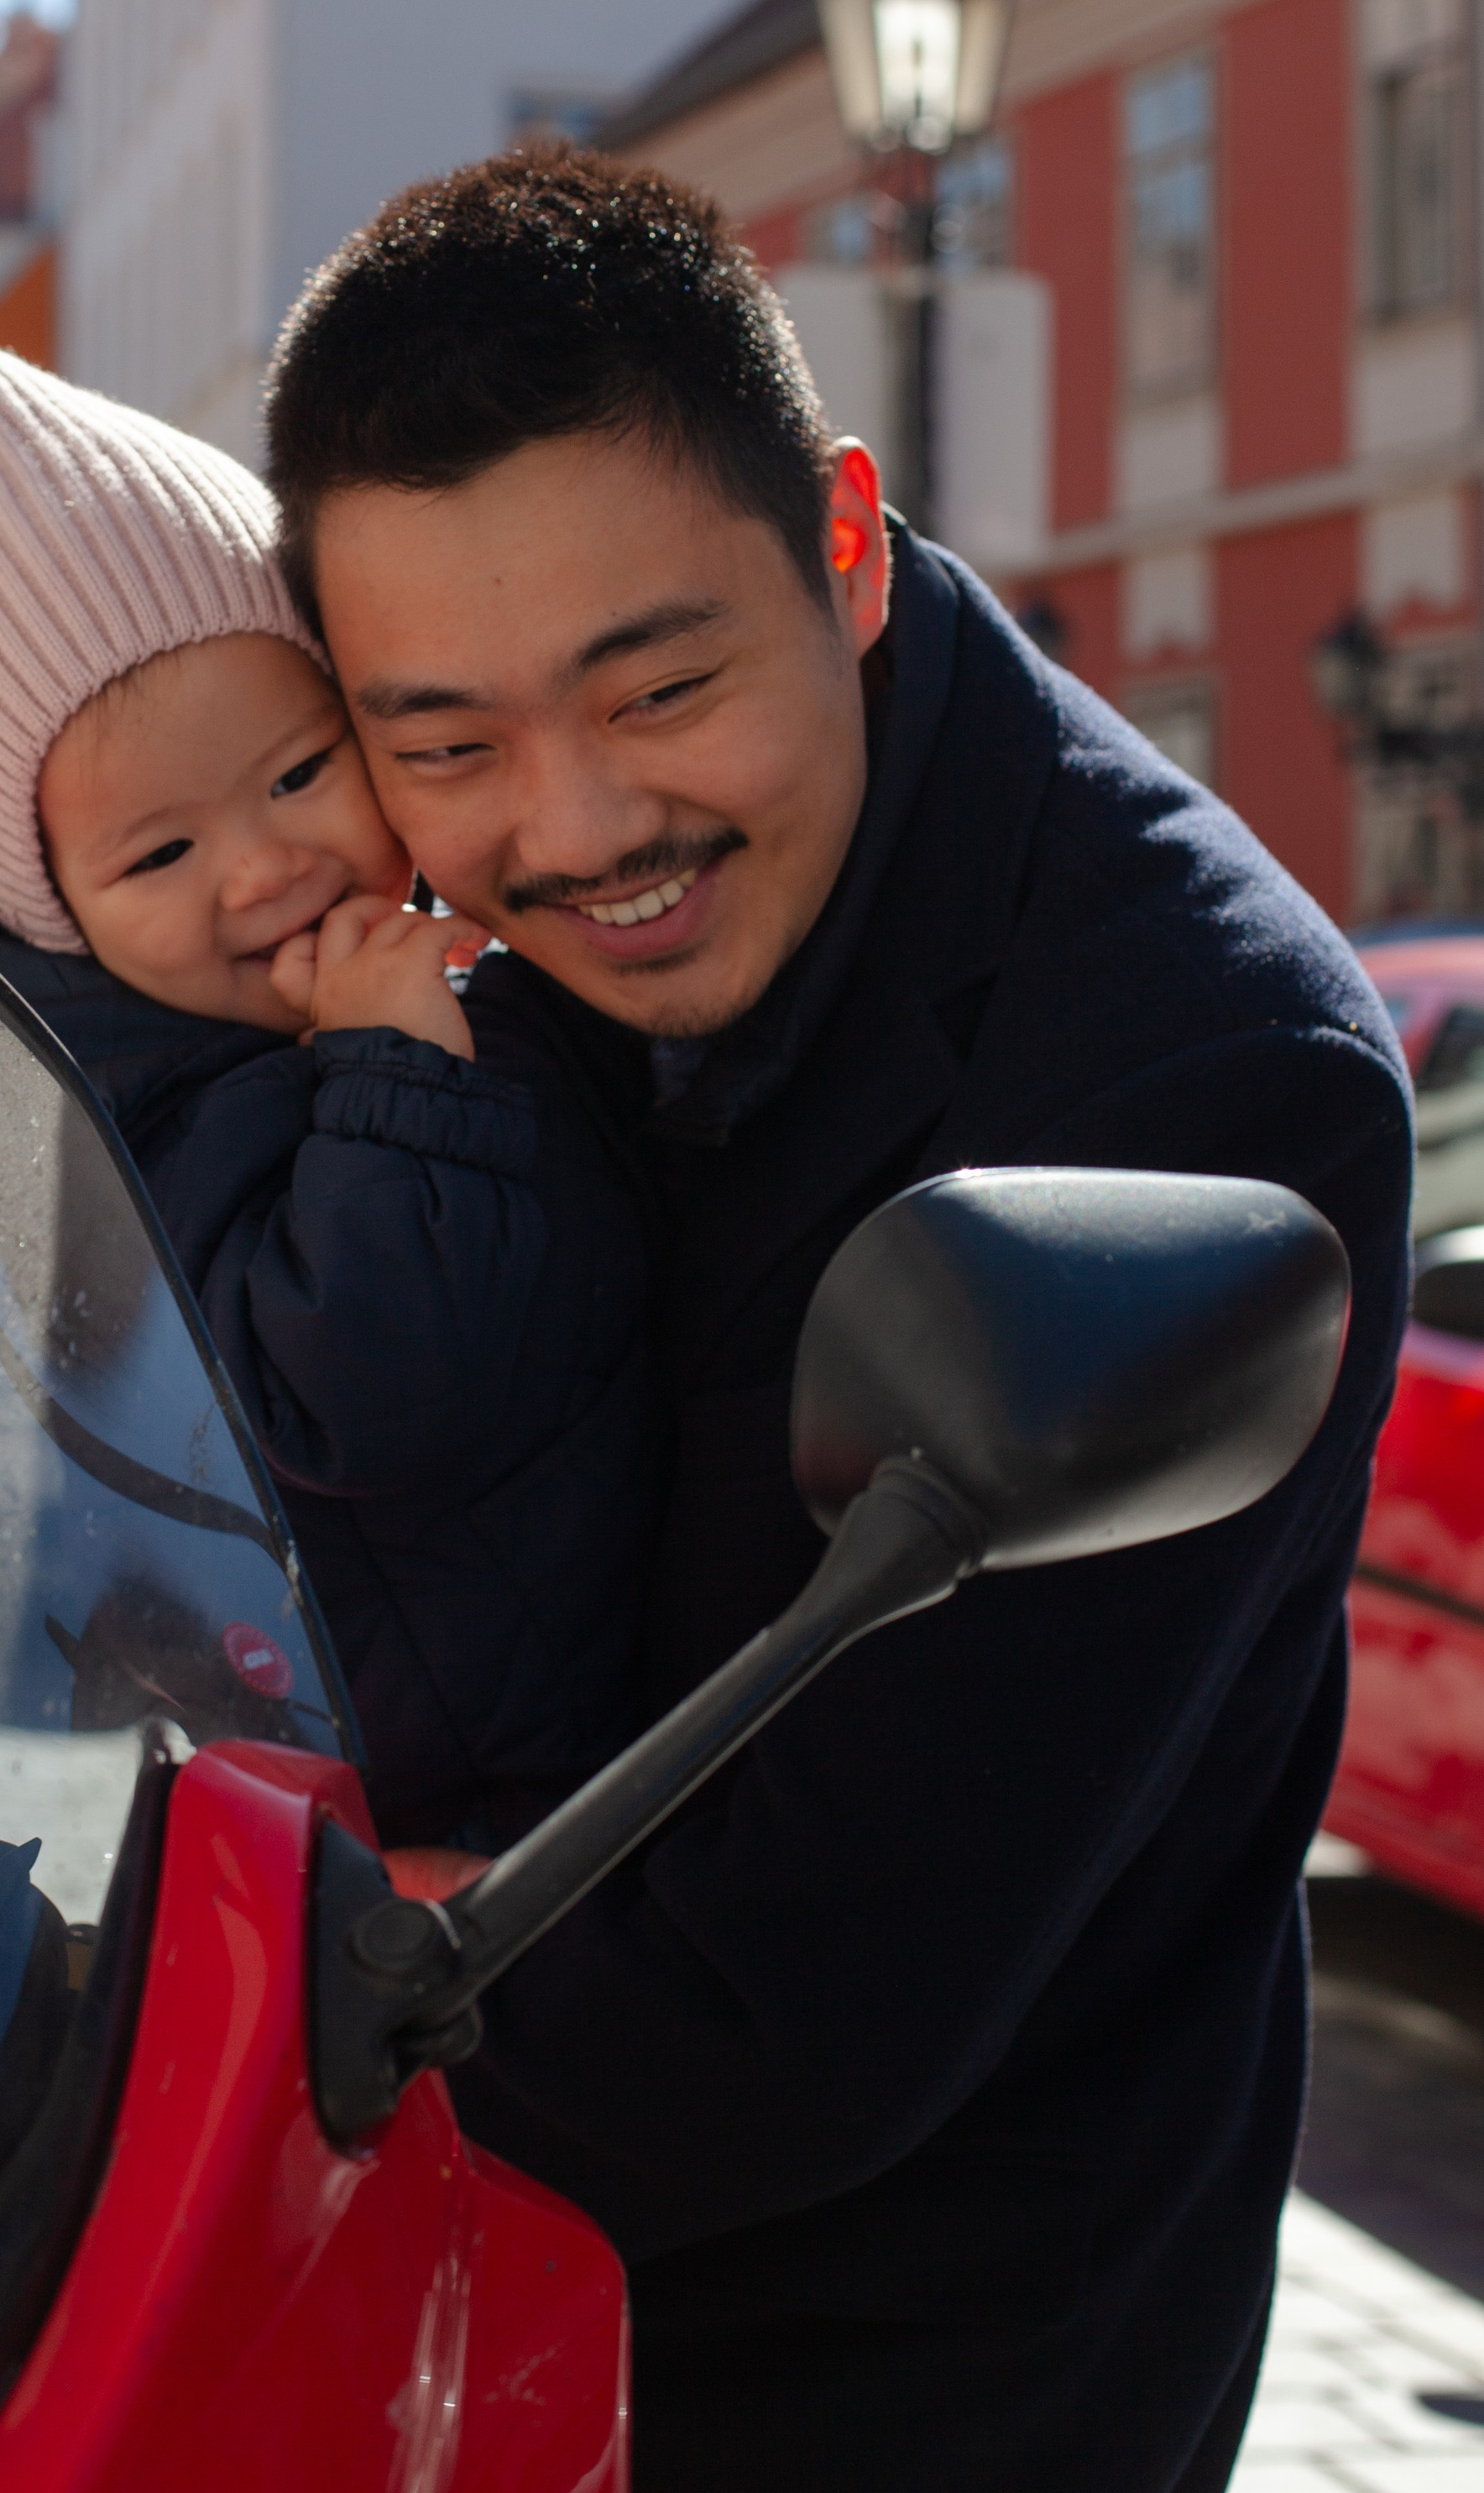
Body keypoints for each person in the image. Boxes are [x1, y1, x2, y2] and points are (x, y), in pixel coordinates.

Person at [261, 148, 1413, 2493]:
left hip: (912, 2382)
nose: (577, 828)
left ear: (850, 550)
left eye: (661, 686)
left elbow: (797, 1997)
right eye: (449, 743)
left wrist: (187, 2093)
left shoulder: (1207, 1071)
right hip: (465, 2321)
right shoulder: (437, 953)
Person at [0, 295, 652, 1857]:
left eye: (299, 773)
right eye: (160, 852)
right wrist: (389, 1073)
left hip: (577, 1722)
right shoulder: (129, 1111)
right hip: (427, 1799)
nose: (262, 869)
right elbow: (349, 1384)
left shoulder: (394, 970)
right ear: (56, 909)